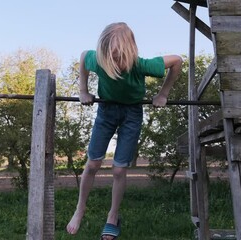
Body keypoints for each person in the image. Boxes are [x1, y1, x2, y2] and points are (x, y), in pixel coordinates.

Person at [66, 22, 182, 240]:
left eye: (119, 57)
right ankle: (80, 209)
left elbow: (177, 61)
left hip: (132, 114)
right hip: (106, 111)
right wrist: (83, 90)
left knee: (119, 170)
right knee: (92, 163)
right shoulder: (98, 61)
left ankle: (113, 216)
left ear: (130, 51)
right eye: (110, 58)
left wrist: (163, 94)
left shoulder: (140, 65)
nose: (115, 63)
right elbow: (83, 56)